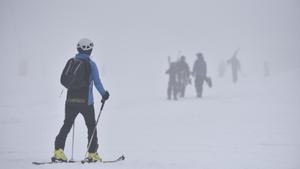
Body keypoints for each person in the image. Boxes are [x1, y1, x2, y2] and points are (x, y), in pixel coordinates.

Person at [53, 38, 110, 162]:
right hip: (86, 102)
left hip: (70, 101)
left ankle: (58, 151)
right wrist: (104, 94)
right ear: (89, 49)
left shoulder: (72, 62)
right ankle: (92, 153)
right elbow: (97, 83)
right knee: (91, 126)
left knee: (66, 125)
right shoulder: (91, 64)